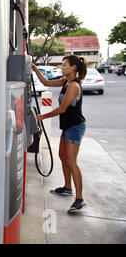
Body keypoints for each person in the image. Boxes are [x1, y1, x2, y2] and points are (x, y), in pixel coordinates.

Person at [32, 55, 88, 213]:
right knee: (63, 156)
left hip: (75, 127)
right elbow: (46, 83)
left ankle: (80, 199)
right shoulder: (66, 82)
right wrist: (35, 69)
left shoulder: (74, 86)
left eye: (64, 65)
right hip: (68, 127)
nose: (61, 67)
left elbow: (63, 109)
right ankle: (67, 187)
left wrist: (42, 116)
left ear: (73, 68)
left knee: (71, 160)